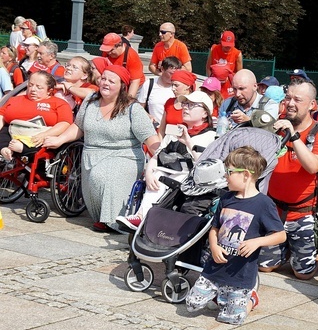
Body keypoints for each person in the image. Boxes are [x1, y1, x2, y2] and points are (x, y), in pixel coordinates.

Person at [43, 65, 160, 232]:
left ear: (122, 86)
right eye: (103, 79)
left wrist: (162, 156)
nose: (105, 83)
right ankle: (103, 218)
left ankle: (114, 222)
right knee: (95, 183)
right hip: (91, 154)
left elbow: (150, 138)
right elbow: (79, 127)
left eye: (111, 81)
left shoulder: (133, 109)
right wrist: (59, 139)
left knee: (102, 175)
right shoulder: (90, 101)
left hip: (124, 155)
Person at [185, 147, 286, 325]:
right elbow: (214, 228)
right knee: (191, 304)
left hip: (241, 274)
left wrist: (257, 242)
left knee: (231, 319)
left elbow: (280, 235)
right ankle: (221, 297)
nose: (225, 176)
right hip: (214, 269)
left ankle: (251, 298)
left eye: (229, 172)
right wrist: (214, 246)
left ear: (246, 175)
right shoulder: (226, 199)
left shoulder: (264, 204)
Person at [259, 81, 318, 280]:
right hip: (274, 211)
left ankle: (312, 253)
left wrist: (294, 136)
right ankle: (284, 250)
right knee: (265, 267)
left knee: (303, 275)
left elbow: (313, 166)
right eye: (288, 98)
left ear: (312, 105)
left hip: (303, 214)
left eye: (298, 99)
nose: (291, 103)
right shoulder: (276, 126)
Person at [116, 91, 217, 230]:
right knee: (156, 175)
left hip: (190, 180)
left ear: (205, 113)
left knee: (165, 178)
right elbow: (157, 155)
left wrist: (188, 143)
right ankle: (141, 217)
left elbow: (204, 166)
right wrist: (149, 174)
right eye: (185, 104)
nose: (186, 107)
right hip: (166, 174)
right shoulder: (175, 131)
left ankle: (144, 218)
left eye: (192, 105)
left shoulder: (211, 136)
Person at [0, 71, 73, 161]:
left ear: (49, 90)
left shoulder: (59, 103)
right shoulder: (14, 100)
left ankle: (23, 148)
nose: (33, 89)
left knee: (48, 140)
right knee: (4, 130)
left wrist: (44, 134)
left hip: (40, 134)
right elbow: (1, 116)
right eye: (30, 85)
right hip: (13, 131)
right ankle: (5, 149)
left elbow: (65, 123)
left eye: (39, 87)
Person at [100, 32, 144, 99]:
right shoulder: (107, 52)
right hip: (115, 84)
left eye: (111, 50)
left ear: (119, 45)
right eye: (107, 51)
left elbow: (135, 82)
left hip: (133, 86)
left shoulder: (131, 56)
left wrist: (128, 100)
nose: (109, 53)